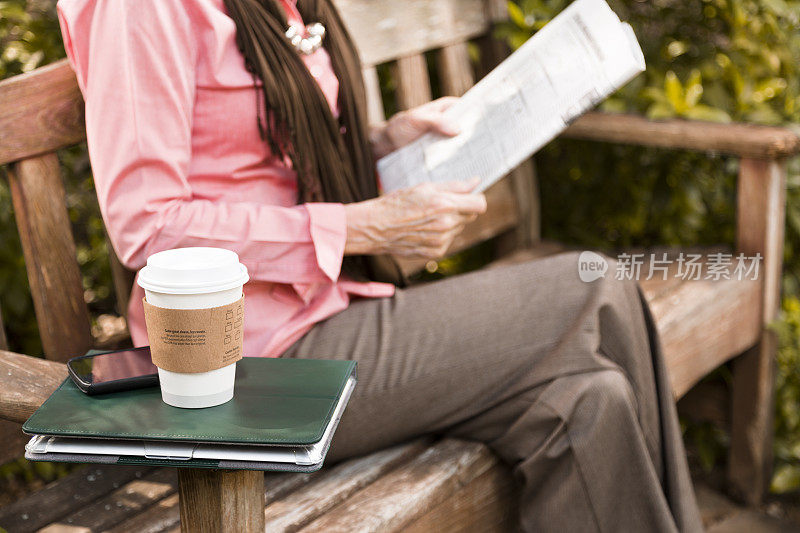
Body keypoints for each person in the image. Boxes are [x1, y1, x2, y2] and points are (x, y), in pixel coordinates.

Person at [55, 0, 703, 530]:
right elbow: (150, 225)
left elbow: (255, 158)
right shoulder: (138, 8)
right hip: (242, 366)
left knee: (591, 398)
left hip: (333, 305)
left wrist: (386, 142)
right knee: (593, 286)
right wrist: (360, 225)